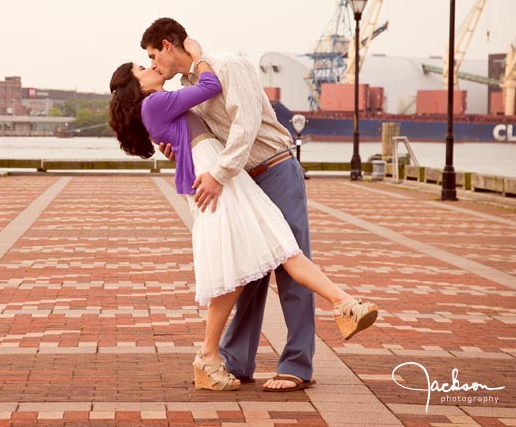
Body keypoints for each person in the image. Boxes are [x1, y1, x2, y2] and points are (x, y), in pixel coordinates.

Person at [108, 60, 378, 392]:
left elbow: (195, 129)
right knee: (250, 261)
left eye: (150, 58)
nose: (150, 65)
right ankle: (209, 355)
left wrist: (178, 146)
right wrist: (199, 57)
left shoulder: (160, 102)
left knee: (273, 248)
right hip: (215, 180)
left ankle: (345, 304)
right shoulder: (155, 101)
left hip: (221, 176)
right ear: (136, 84)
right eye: (141, 66)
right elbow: (209, 88)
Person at [140, 17, 337, 392]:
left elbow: (245, 126)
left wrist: (218, 174)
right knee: (248, 270)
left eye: (152, 55)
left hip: (274, 169)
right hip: (242, 179)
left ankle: (297, 364)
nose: (153, 64)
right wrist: (175, 148)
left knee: (288, 259)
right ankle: (236, 361)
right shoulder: (186, 86)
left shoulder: (227, 64)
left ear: (168, 45)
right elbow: (203, 138)